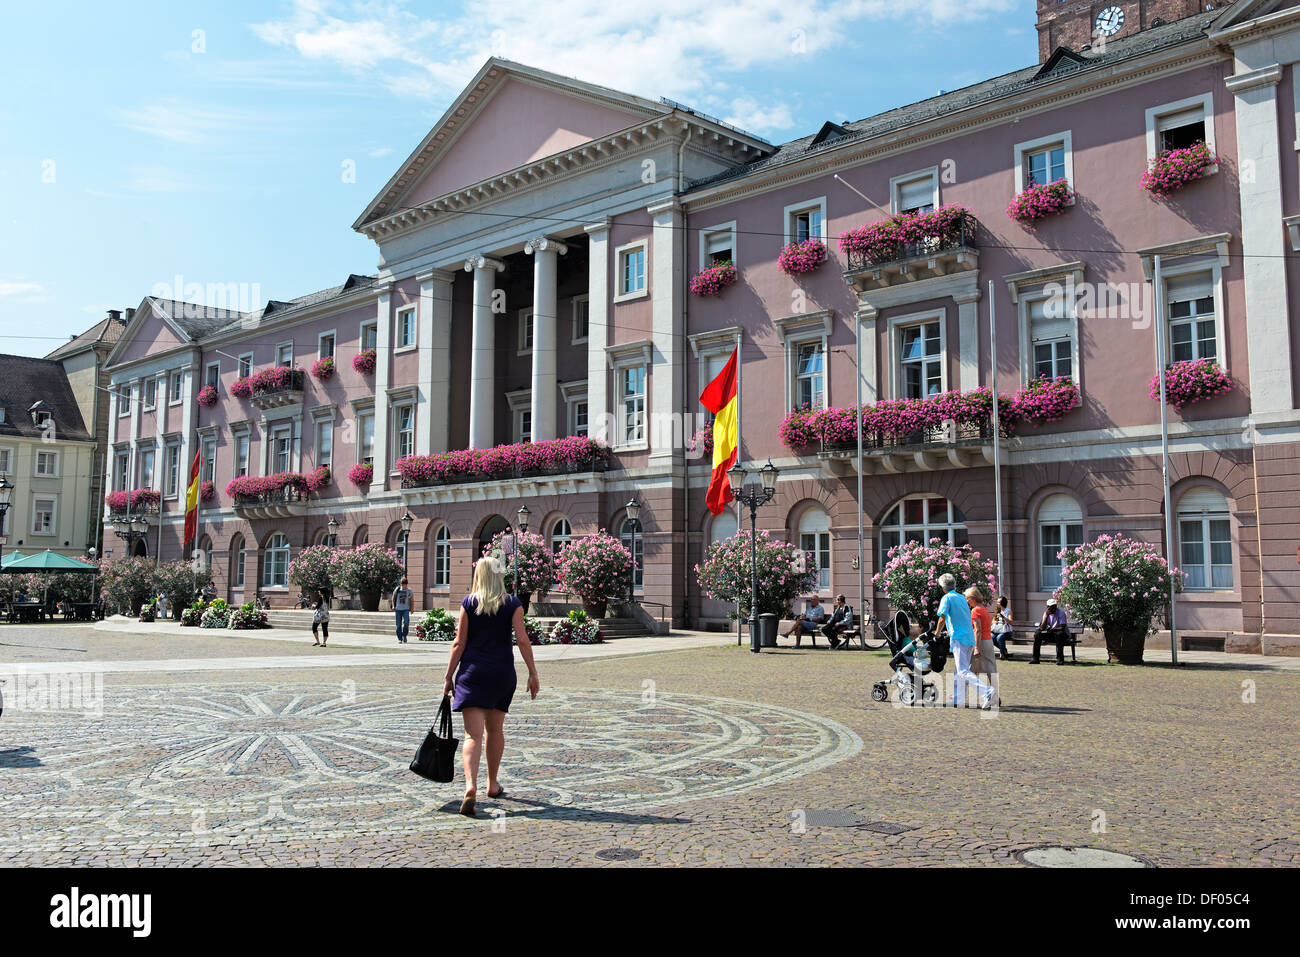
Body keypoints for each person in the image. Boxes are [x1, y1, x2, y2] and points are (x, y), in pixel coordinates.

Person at [442, 557, 540, 817]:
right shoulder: (513, 604)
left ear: (480, 575)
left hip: (472, 674)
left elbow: (458, 644)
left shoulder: (468, 603)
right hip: (501, 674)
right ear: (500, 576)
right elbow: (522, 640)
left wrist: (448, 676)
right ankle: (492, 784)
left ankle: (470, 785)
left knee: (472, 736)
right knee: (495, 730)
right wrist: (533, 673)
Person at [932, 574, 995, 709]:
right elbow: (962, 618)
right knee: (959, 670)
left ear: (943, 587)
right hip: (968, 638)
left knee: (962, 671)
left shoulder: (947, 598)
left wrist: (936, 634)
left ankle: (987, 691)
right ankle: (957, 698)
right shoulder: (961, 598)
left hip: (959, 638)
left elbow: (942, 618)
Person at [966, 586, 1000, 707]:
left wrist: (976, 647)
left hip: (981, 642)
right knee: (991, 669)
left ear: (972, 599)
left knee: (969, 669)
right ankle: (996, 696)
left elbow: (977, 630)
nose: (967, 602)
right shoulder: (984, 609)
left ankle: (959, 694)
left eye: (967, 599)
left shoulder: (975, 611)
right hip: (988, 641)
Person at [1032, 597, 1069, 665]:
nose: (1053, 608)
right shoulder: (1046, 613)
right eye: (1051, 607)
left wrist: (1052, 629)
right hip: (1052, 634)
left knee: (1059, 634)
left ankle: (1060, 660)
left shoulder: (1061, 613)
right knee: (1037, 634)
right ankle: (1035, 659)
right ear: (1047, 607)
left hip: (1062, 634)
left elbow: (1062, 627)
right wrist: (1046, 616)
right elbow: (1042, 628)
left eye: (1054, 606)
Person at [991, 595, 1014, 660]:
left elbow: (1011, 622)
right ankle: (1004, 650)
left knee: (999, 637)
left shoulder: (1008, 611)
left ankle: (1002, 654)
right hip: (997, 630)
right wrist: (996, 621)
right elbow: (992, 621)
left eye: (998, 602)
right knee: (991, 637)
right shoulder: (997, 611)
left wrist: (1003, 617)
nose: (997, 603)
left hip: (1006, 631)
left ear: (1002, 603)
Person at [392, 577, 414, 643]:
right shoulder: (397, 589)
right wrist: (393, 606)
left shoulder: (409, 590)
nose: (403, 586)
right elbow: (393, 598)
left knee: (406, 623)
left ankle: (404, 635)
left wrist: (412, 608)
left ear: (406, 584)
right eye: (402, 584)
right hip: (398, 609)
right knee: (398, 625)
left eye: (404, 584)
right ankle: (399, 638)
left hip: (406, 609)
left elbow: (412, 600)